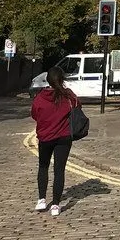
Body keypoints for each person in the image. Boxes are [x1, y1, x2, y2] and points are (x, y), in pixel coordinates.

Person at [31, 66, 80, 216]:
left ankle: (41, 200)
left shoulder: (40, 97)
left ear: (48, 80)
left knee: (43, 167)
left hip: (45, 137)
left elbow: (34, 114)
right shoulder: (68, 96)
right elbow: (78, 105)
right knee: (59, 170)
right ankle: (56, 205)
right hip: (64, 138)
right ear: (62, 79)